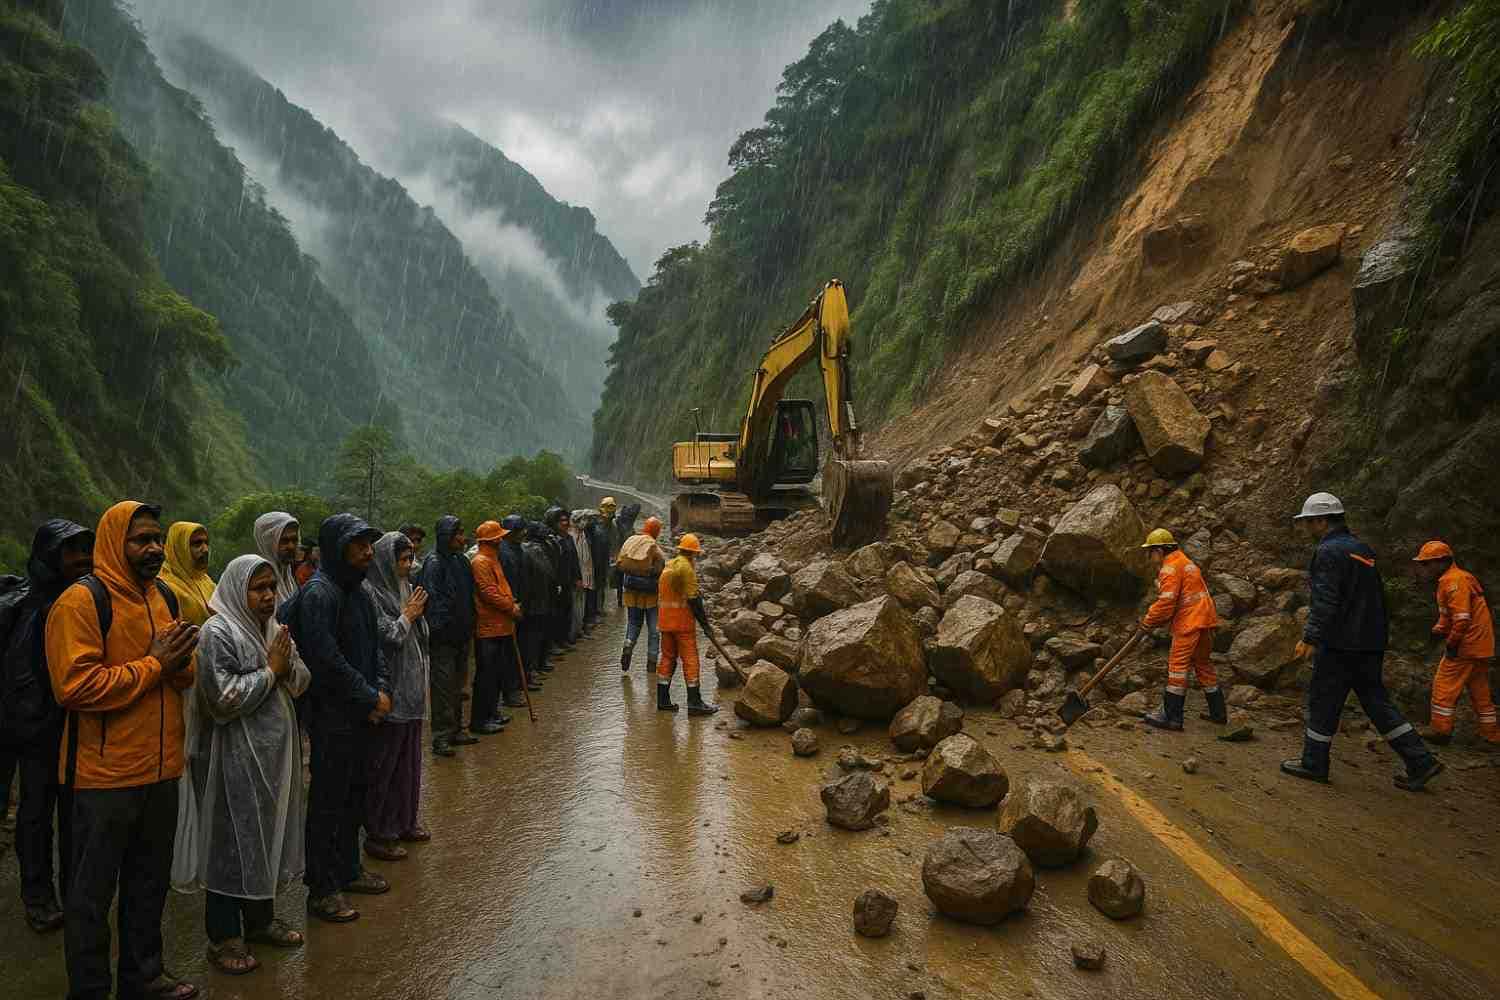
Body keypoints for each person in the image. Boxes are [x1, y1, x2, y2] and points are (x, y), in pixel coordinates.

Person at [46, 500, 200, 1000]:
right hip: (103, 779)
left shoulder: (165, 597)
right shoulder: (81, 602)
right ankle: (90, 989)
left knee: (149, 884)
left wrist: (179, 663)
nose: (154, 548)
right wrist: (155, 665)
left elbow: (184, 675)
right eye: (141, 540)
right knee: (91, 896)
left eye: (157, 539)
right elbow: (75, 686)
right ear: (115, 543)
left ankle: (144, 977)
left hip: (161, 771)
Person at [182, 555, 308, 976]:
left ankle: (259, 920)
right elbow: (222, 699)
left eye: (271, 587)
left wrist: (284, 667)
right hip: (230, 757)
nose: (269, 596)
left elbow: (301, 679)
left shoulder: (272, 628)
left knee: (262, 835)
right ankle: (223, 936)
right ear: (239, 590)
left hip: (271, 757)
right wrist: (271, 671)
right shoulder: (217, 632)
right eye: (259, 588)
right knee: (230, 841)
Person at [1280, 493, 1443, 790]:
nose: (1305, 528)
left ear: (1321, 521)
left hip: (1341, 643)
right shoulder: (1362, 549)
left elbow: (1326, 600)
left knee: (1324, 700)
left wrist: (1310, 637)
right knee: (1376, 701)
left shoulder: (1328, 551)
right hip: (1370, 642)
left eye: (1308, 522)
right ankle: (1420, 760)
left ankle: (1314, 763)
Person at [281, 513, 390, 924]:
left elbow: (375, 648)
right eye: (358, 544)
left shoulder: (359, 591)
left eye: (369, 544)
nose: (368, 552)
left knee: (355, 793)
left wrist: (380, 690)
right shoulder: (319, 594)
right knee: (328, 801)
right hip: (331, 716)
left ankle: (349, 868)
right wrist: (370, 696)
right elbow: (326, 660)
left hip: (360, 713)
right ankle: (322, 888)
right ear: (336, 549)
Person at [0, 519, 94, 933]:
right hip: (39, 732)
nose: (81, 559)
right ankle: (37, 897)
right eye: (70, 551)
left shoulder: (81, 599)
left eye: (85, 550)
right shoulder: (35, 607)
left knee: (75, 814)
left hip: (75, 727)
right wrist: (36, 729)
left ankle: (74, 892)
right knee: (37, 815)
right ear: (48, 556)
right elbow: (23, 677)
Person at [363, 532, 432, 859]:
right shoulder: (372, 593)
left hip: (412, 689)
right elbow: (387, 635)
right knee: (386, 767)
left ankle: (406, 821)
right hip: (391, 690)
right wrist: (408, 615)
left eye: (409, 559)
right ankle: (381, 831)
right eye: (402, 560)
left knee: (409, 762)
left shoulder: (405, 586)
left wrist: (415, 615)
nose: (407, 566)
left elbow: (420, 633)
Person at [1411, 540, 1498, 746]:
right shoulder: (1458, 578)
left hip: (1467, 645)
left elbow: (1462, 619)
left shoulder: (1453, 582)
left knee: (1443, 687)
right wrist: (1437, 631)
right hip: (1481, 645)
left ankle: (1440, 730)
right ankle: (1492, 734)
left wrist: (1451, 644)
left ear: (1442, 561)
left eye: (1427, 563)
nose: (1424, 568)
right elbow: (1448, 616)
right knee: (1480, 691)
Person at [1137, 528, 1222, 730]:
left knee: (1177, 668)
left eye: (1150, 552)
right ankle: (1218, 714)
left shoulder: (1170, 568)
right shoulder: (1185, 561)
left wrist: (1148, 621)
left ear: (1159, 551)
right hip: (1206, 619)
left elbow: (1166, 603)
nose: (1149, 557)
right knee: (1203, 664)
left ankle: (1172, 717)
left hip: (1189, 622)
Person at [421, 516, 477, 756]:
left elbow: (469, 594)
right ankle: (441, 736)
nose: (463, 539)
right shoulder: (433, 563)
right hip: (443, 637)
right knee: (443, 687)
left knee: (458, 686)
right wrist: (442, 629)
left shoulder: (461, 561)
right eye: (458, 534)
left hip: (462, 633)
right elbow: (433, 601)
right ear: (447, 536)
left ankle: (457, 729)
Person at [472, 521, 530, 724]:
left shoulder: (493, 558)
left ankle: (492, 712)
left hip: (501, 624)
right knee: (486, 675)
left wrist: (511, 602)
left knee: (496, 672)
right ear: (491, 540)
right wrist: (510, 607)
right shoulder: (480, 562)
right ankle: (482, 719)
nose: (501, 540)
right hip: (489, 626)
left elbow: (501, 587)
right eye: (498, 537)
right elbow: (488, 592)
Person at [657, 534, 718, 716]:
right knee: (690, 660)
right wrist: (706, 626)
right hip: (682, 624)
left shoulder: (669, 565)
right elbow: (694, 600)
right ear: (693, 553)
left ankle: (663, 700)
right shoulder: (686, 568)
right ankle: (694, 702)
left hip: (665, 622)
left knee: (667, 658)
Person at [618, 516, 666, 673]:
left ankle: (628, 645)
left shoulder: (631, 540)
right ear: (656, 531)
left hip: (631, 593)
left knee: (633, 624)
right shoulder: (654, 547)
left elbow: (620, 563)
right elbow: (661, 569)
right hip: (650, 595)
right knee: (654, 630)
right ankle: (651, 664)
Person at [159, 522, 216, 627]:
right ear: (179, 547)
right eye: (197, 544)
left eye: (206, 543)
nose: (205, 550)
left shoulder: (206, 581)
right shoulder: (164, 587)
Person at [520, 522, 558, 682]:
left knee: (540, 634)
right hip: (533, 601)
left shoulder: (544, 546)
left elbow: (549, 571)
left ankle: (538, 664)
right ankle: (531, 669)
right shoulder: (529, 549)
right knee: (532, 638)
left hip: (543, 597)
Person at [545, 508, 581, 652]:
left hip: (568, 581)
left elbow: (574, 560)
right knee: (555, 614)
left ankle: (564, 640)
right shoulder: (551, 540)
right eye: (561, 521)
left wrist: (578, 577)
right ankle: (554, 643)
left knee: (567, 611)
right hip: (555, 583)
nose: (565, 523)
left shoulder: (568, 538)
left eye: (567, 520)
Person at [571, 511, 595, 637]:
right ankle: (574, 632)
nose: (584, 523)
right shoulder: (571, 537)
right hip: (576, 577)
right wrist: (576, 577)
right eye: (581, 520)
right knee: (575, 606)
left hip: (585, 574)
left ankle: (580, 629)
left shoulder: (584, 535)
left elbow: (587, 559)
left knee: (582, 604)